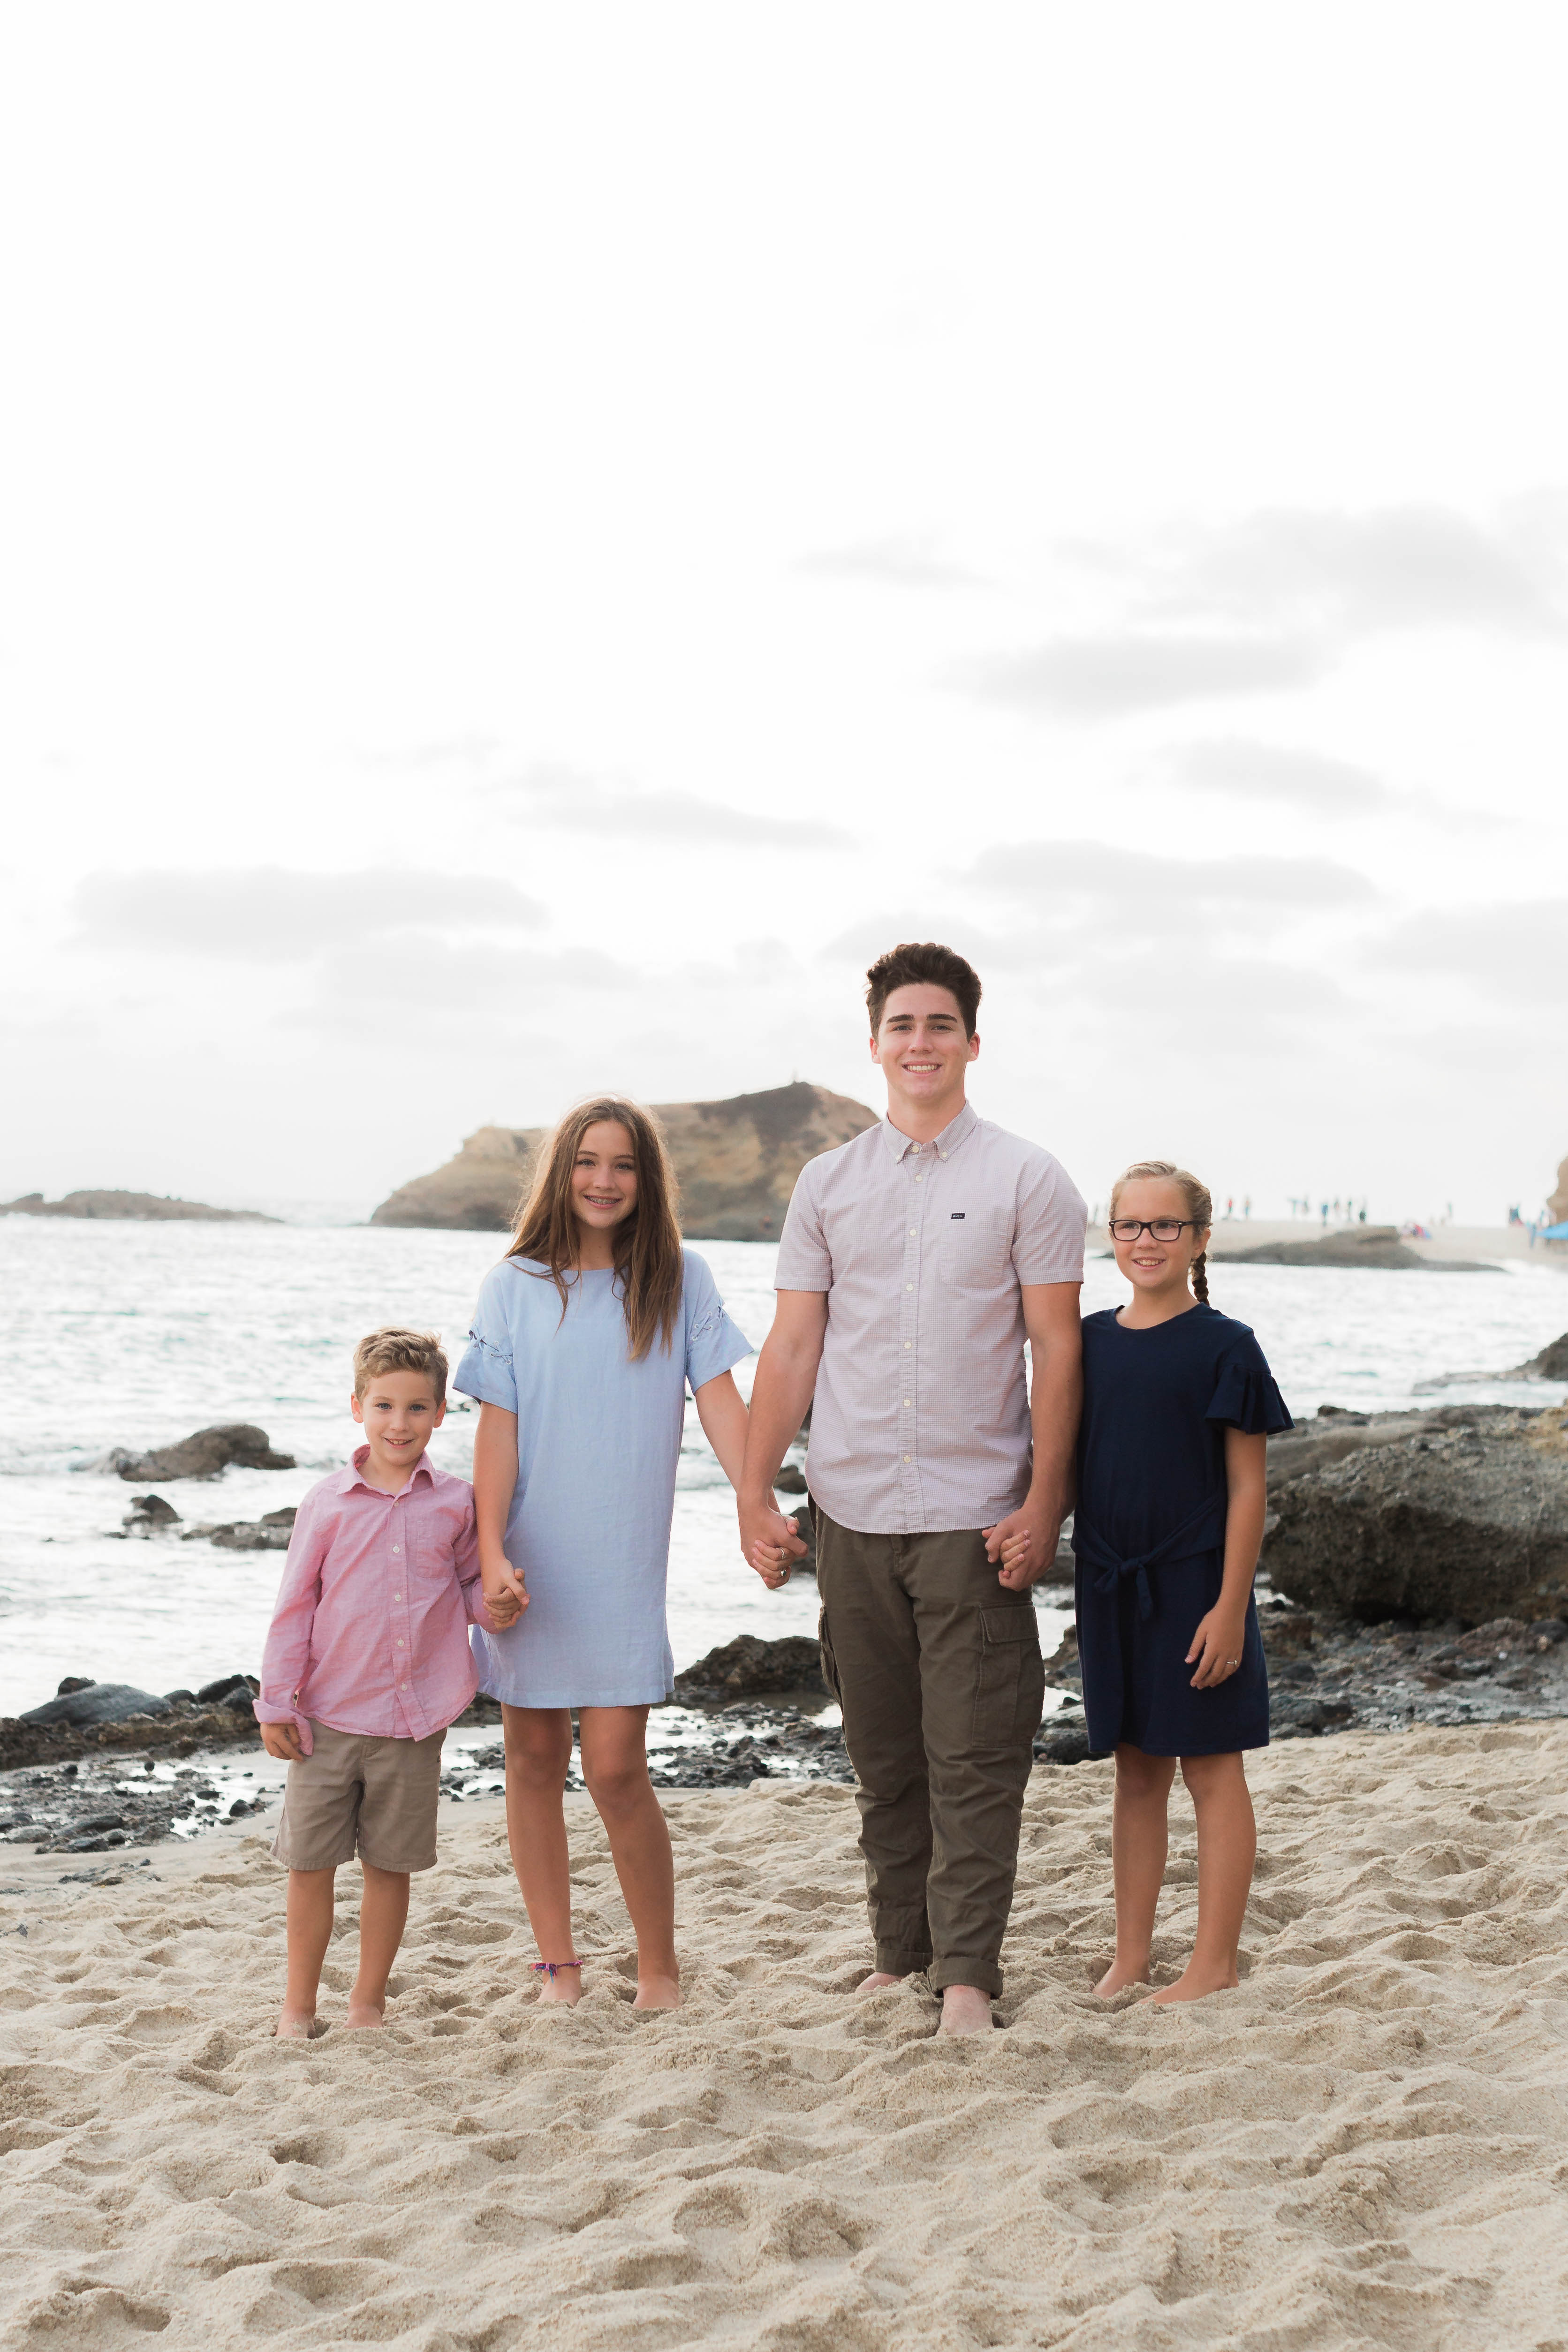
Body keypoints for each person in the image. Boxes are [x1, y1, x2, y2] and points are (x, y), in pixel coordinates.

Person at [738, 941, 1086, 2036]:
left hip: (974, 1517)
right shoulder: (827, 1184)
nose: (920, 1043)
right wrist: (753, 1494)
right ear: (875, 1043)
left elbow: (1056, 1351)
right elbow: (793, 1348)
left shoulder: (1028, 1178)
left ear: (972, 1043)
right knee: (884, 1757)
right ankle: (903, 1955)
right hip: (847, 1513)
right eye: (902, 1026)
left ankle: (967, 1976)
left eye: (939, 1025)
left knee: (974, 1756)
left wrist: (1044, 1503)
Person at [456, 1097, 761, 2011]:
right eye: (588, 1161)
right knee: (533, 1757)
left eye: (624, 1164)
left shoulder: (679, 1278)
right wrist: (488, 1553)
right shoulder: (513, 1284)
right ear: (562, 1172)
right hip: (531, 1556)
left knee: (619, 1767)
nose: (603, 1180)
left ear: (646, 1179)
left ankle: (658, 1969)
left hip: (623, 1559)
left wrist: (754, 1500)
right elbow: (496, 1434)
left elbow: (721, 1401)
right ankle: (559, 1967)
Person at [1074, 1162, 1291, 2005]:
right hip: (1109, 1583)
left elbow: (1247, 1488)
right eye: (1130, 1225)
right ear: (1111, 1236)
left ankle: (1214, 1966)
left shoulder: (1226, 1346)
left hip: (1197, 1585)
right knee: (1135, 1773)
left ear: (1199, 1239)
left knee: (1210, 1769)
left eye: (1166, 1225)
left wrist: (1231, 1608)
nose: (1146, 1240)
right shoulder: (1089, 1340)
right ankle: (1130, 1958)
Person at [256, 1328, 494, 2040]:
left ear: (441, 1413)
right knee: (309, 1867)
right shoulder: (327, 1503)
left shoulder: (458, 1503)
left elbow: (472, 1591)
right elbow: (294, 1607)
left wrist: (501, 1604)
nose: (400, 1423)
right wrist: (276, 1702)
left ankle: (367, 2003)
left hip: (415, 1722)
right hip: (325, 1720)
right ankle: (298, 2008)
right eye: (385, 1406)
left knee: (391, 1868)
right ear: (358, 1406)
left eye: (417, 1408)